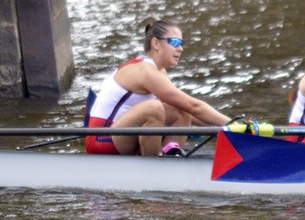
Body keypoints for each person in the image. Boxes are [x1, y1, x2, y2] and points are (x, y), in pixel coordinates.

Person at [85, 18, 232, 156]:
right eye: (175, 42)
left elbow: (191, 111)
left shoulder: (159, 71)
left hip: (120, 133)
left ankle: (171, 157)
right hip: (100, 139)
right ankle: (153, 167)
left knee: (181, 110)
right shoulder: (145, 71)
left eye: (182, 43)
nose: (180, 49)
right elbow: (195, 106)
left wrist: (222, 128)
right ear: (156, 43)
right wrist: (235, 124)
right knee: (154, 108)